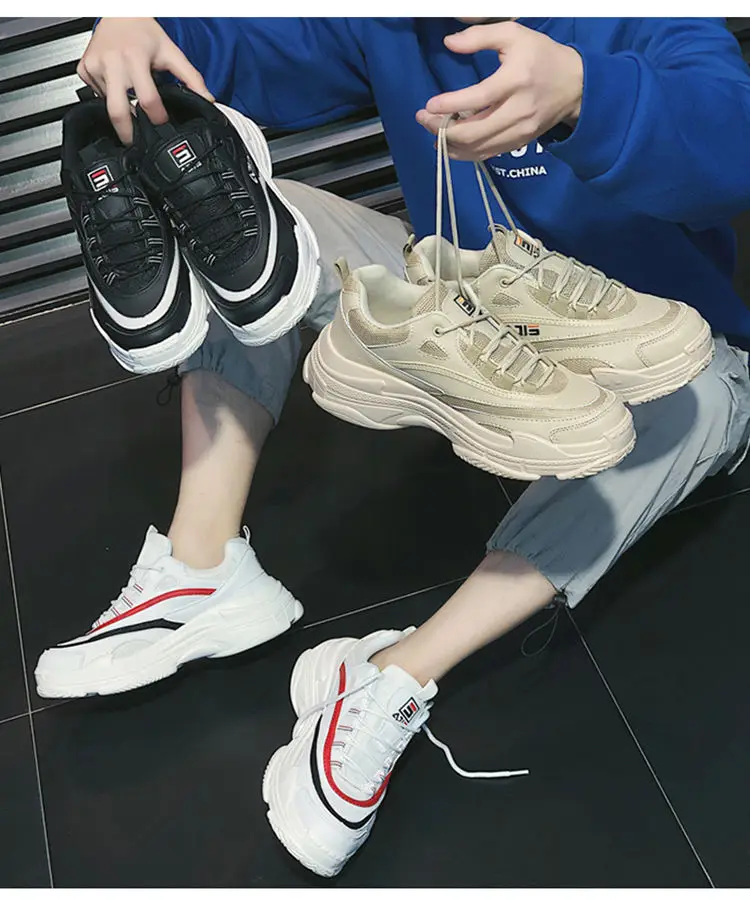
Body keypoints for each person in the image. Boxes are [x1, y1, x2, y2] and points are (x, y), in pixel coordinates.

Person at [36, 17, 750, 875]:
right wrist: (145, 28)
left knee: (712, 399)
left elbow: (731, 141)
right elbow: (249, 50)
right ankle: (204, 567)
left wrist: (582, 95)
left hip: (634, 349)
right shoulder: (400, 18)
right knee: (252, 220)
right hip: (463, 313)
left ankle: (389, 675)